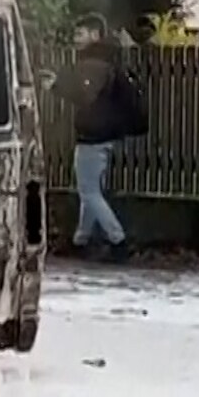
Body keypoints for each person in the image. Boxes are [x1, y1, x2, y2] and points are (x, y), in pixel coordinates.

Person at [51, 16, 146, 262]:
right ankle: (80, 240)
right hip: (107, 136)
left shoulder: (93, 64)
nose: (75, 39)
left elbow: (85, 97)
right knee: (90, 190)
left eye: (80, 33)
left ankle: (119, 241)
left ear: (94, 34)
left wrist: (55, 87)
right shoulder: (109, 60)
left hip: (93, 136)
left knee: (89, 192)